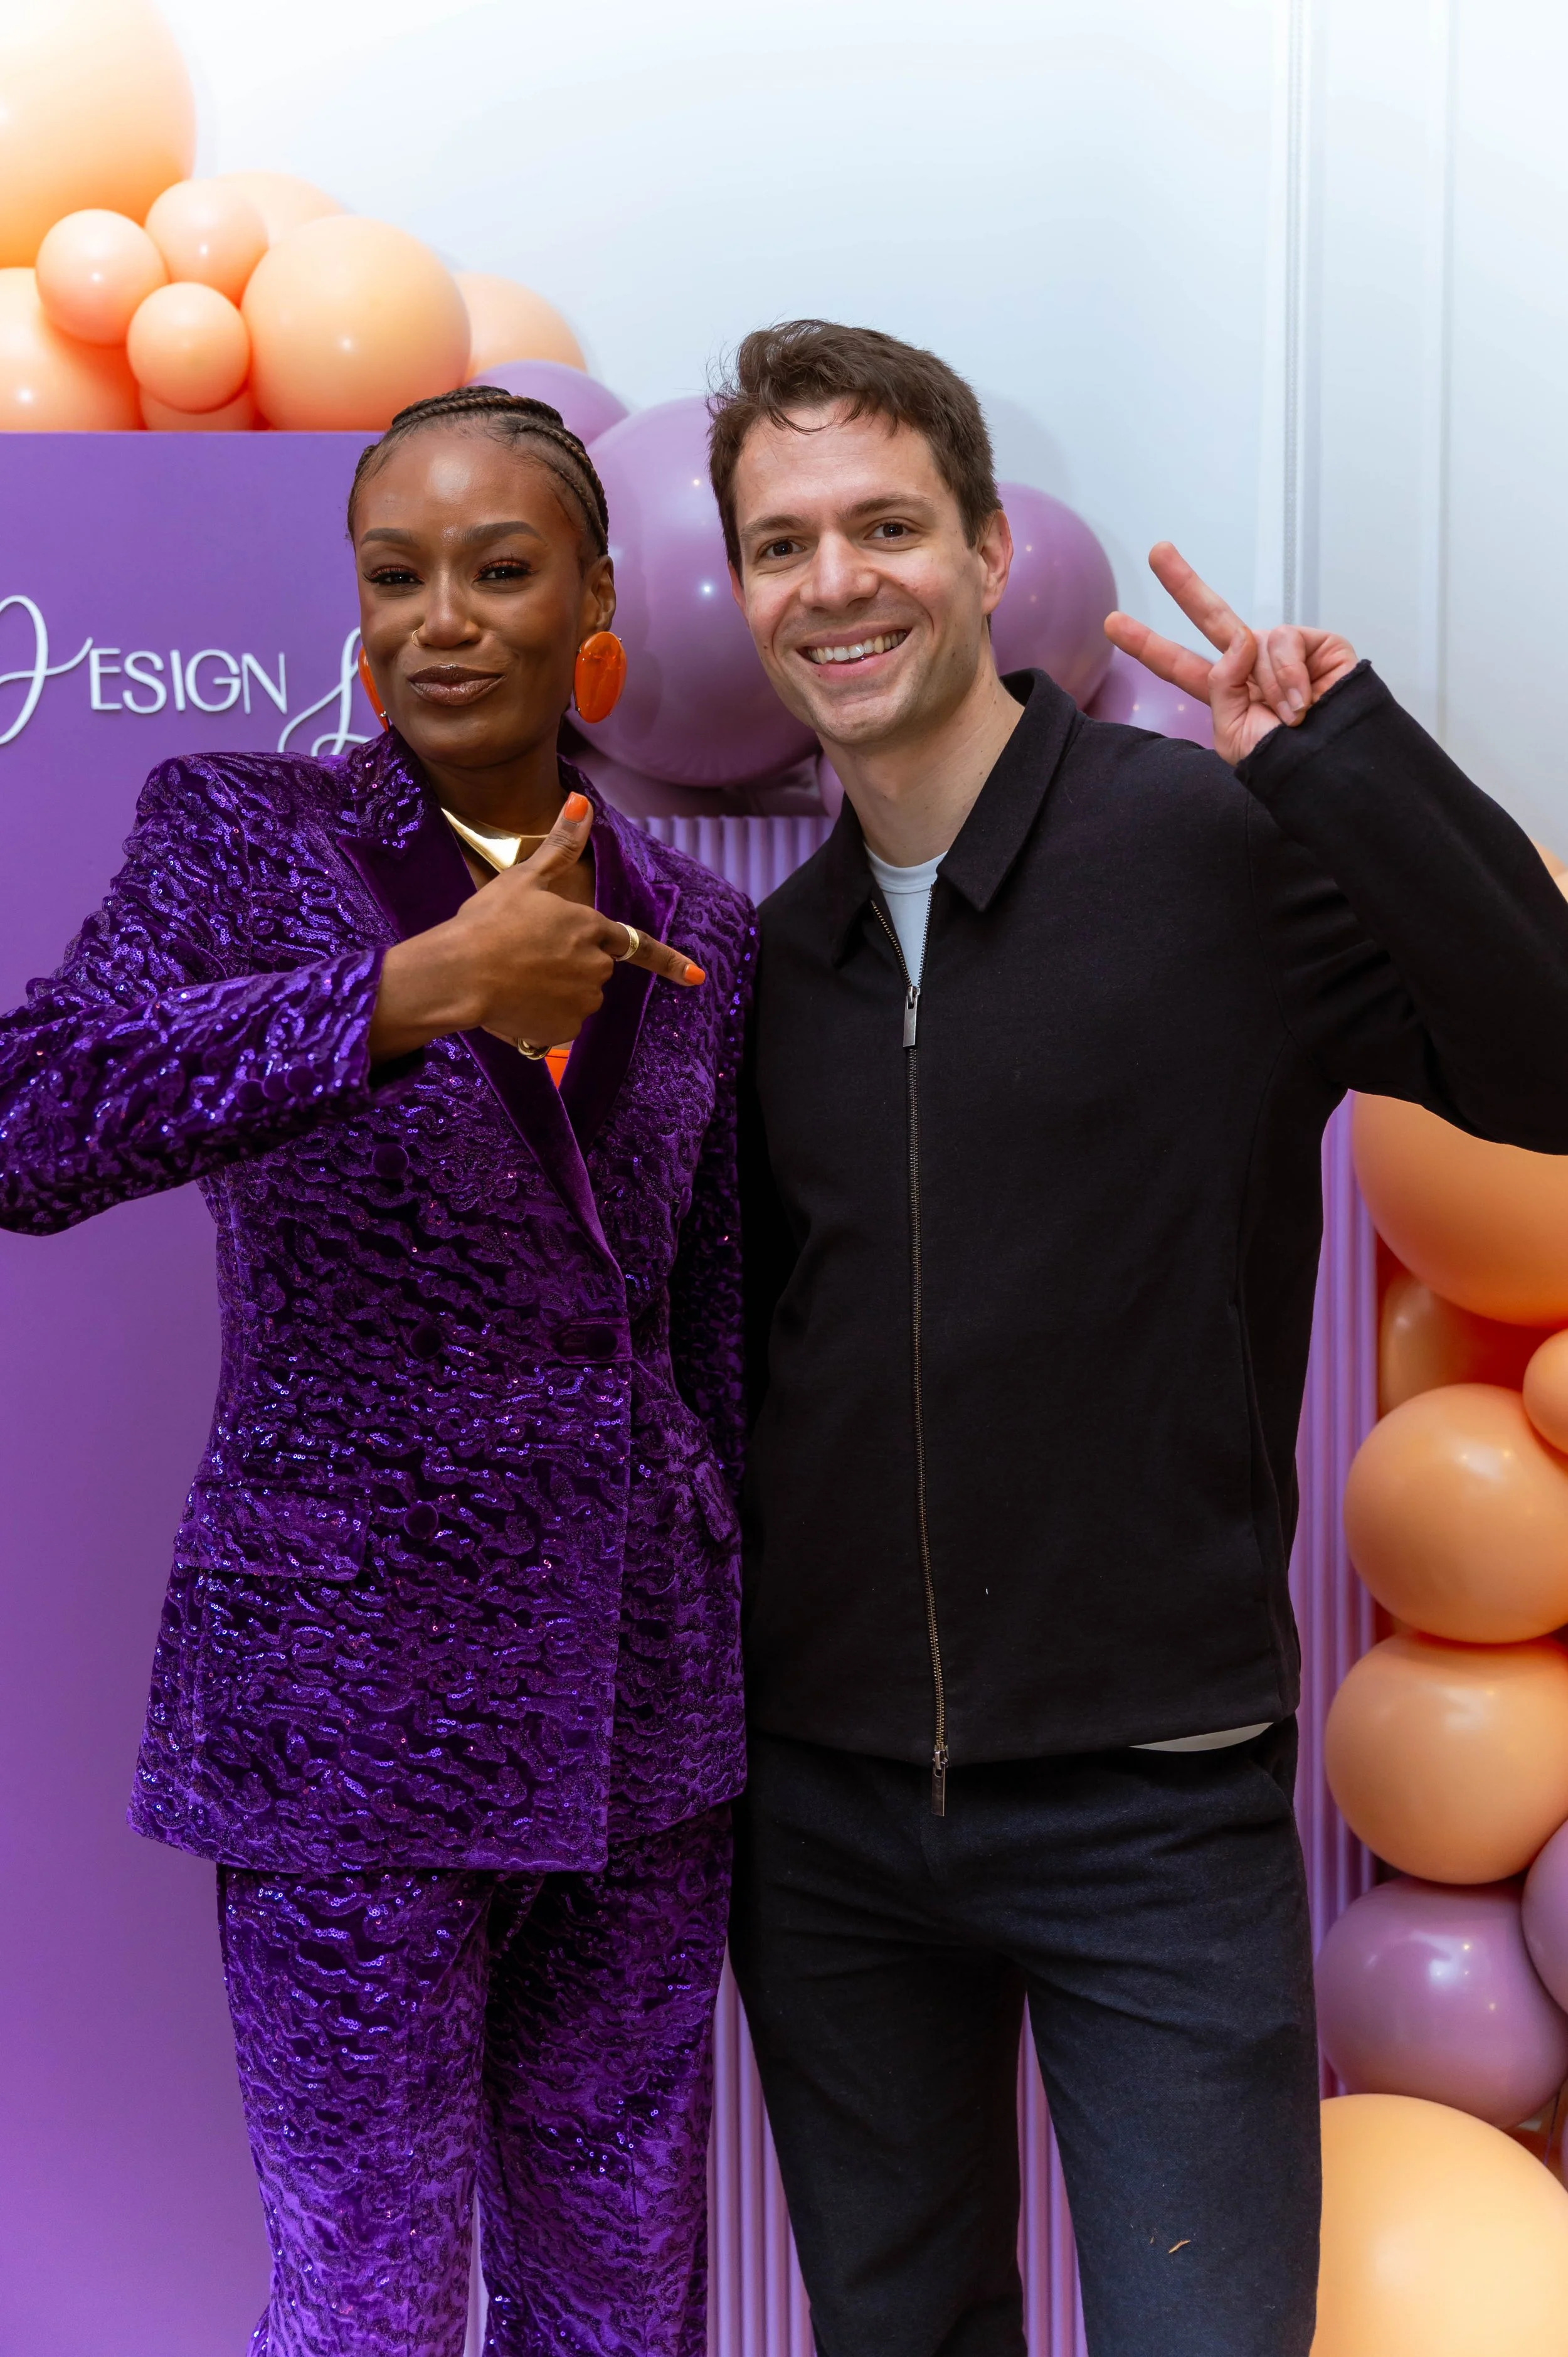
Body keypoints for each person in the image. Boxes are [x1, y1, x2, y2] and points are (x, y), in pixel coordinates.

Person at [712, 319, 1568, 2357]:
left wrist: (1349, 767)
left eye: (887, 524)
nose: (833, 580)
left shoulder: (1204, 847)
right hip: (826, 1824)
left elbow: (1544, 1064)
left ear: (993, 551)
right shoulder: (774, 963)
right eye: (780, 543)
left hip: (1150, 1813)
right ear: (742, 593)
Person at [0, 385, 754, 2357]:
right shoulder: (244, 837)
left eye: (499, 570)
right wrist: (406, 995)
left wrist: (731, 1637)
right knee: (371, 2291)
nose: (441, 616)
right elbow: (28, 1120)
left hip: (639, 1720)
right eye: (396, 573)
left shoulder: (703, 937)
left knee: (620, 2289)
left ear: (591, 602)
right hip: (346, 1714)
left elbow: (714, 1337)